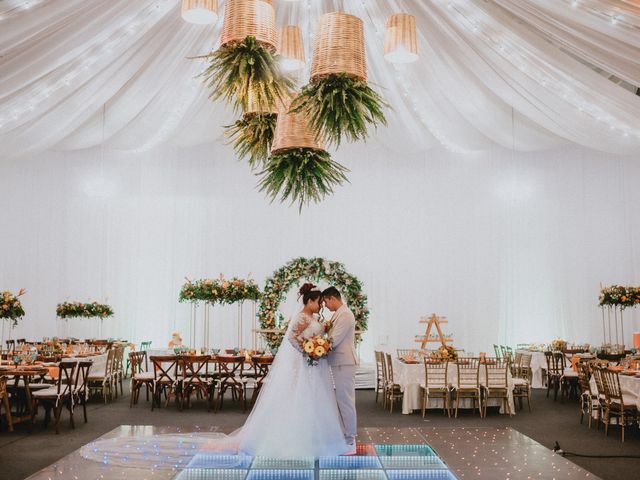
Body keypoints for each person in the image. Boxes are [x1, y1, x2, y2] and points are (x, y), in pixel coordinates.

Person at [212, 283, 349, 458]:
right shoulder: (302, 318)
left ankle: (319, 438)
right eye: (318, 302)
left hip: (316, 365)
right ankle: (302, 440)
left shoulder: (312, 318)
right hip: (307, 363)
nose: (321, 306)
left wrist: (317, 344)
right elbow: (292, 337)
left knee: (318, 399)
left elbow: (313, 336)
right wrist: (307, 351)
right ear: (310, 301)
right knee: (304, 397)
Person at [323, 286, 358, 455]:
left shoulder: (345, 314)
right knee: (342, 400)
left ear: (333, 298)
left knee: (346, 401)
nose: (326, 306)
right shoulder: (339, 314)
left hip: (344, 362)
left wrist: (317, 348)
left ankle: (350, 440)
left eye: (326, 302)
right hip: (339, 362)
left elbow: (334, 340)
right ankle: (346, 436)